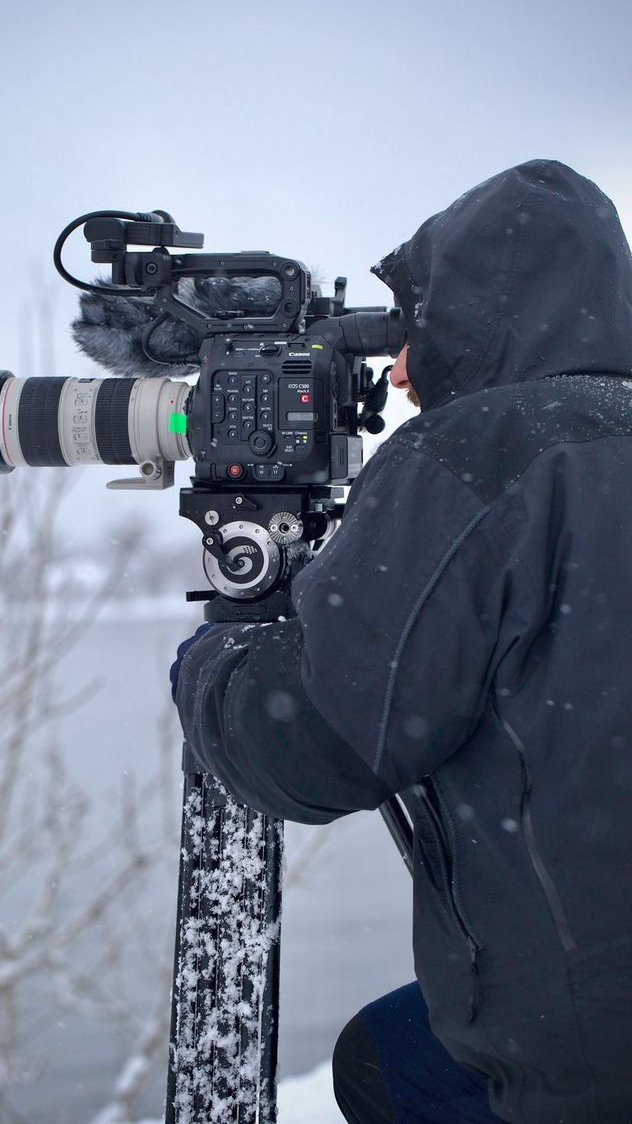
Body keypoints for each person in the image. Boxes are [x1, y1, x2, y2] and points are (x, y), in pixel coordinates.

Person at [172, 159, 632, 1124]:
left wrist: (215, 661)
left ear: (476, 318)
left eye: (415, 330)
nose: (397, 372)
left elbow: (313, 749)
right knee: (388, 1059)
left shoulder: (484, 453)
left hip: (595, 1055)